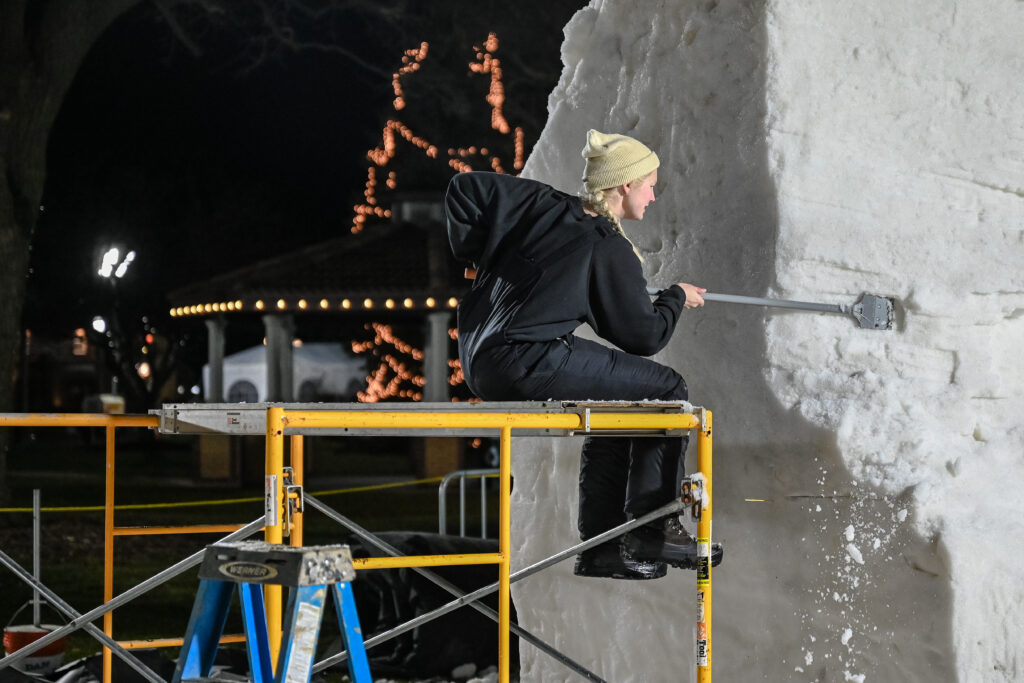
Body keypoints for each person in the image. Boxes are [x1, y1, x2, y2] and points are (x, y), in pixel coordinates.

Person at [445, 129, 723, 580]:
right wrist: (676, 297)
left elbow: (464, 188)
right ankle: (654, 527)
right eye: (650, 185)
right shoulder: (607, 245)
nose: (654, 197)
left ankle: (603, 547)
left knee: (616, 406)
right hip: (525, 359)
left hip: (481, 356)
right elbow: (644, 335)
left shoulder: (546, 206)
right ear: (625, 184)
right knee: (668, 391)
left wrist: (480, 257)